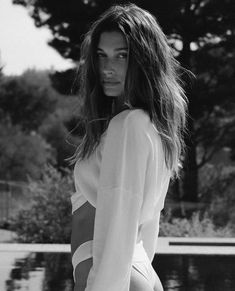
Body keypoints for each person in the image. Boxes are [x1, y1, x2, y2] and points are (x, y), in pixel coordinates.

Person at [69, 3, 188, 291]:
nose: (107, 68)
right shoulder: (151, 124)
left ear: (145, 60)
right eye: (101, 56)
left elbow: (120, 214)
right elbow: (147, 218)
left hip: (112, 275)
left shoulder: (127, 125)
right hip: (134, 269)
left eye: (122, 56)